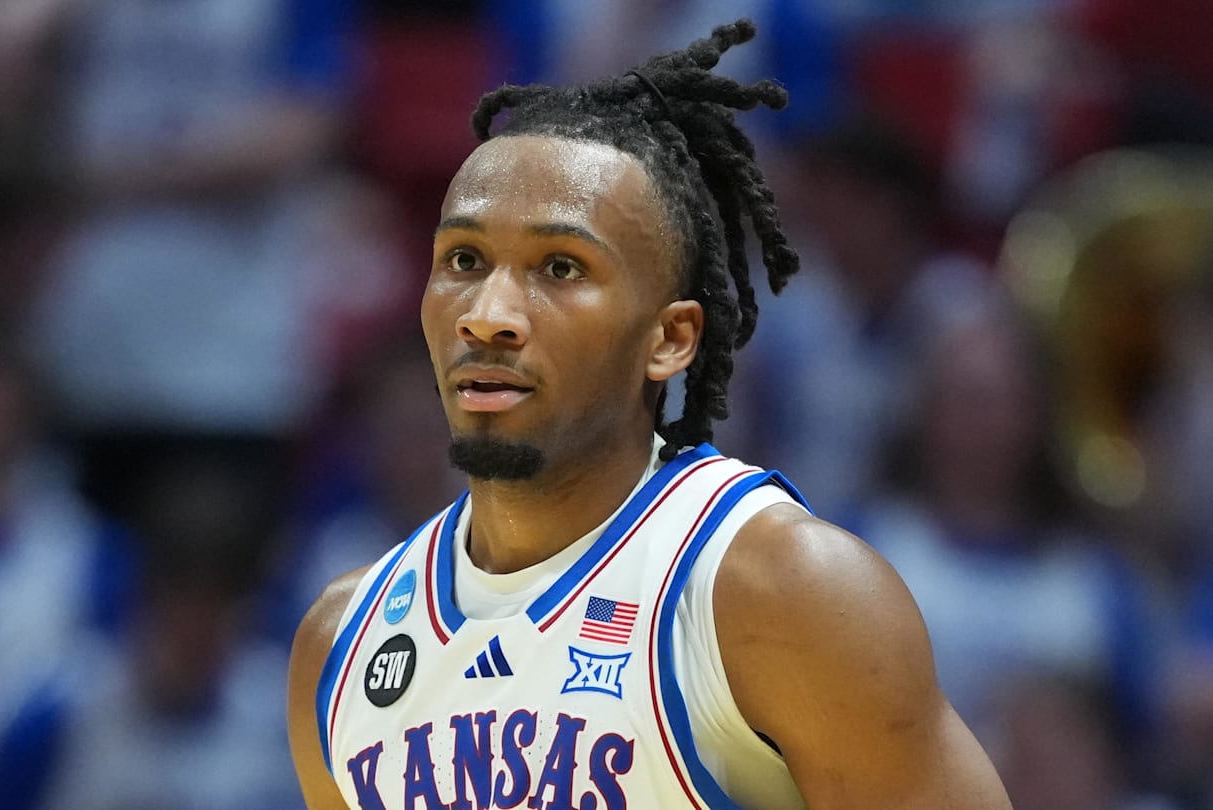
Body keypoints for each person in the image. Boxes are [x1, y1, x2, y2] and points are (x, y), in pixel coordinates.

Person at [287, 20, 1011, 809]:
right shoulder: (342, 643)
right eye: (463, 260)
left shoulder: (781, 591)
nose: (488, 315)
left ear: (670, 339)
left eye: (559, 268)